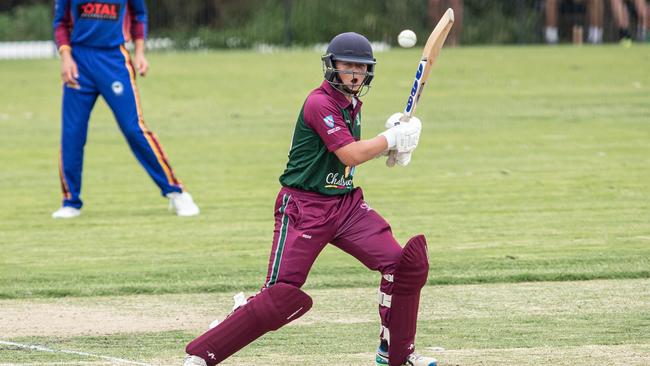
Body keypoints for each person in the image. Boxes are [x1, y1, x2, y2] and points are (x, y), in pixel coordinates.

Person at [183, 32, 435, 366]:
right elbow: (348, 154)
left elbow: (343, 156)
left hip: (346, 206)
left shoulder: (351, 103)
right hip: (304, 208)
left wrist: (390, 148)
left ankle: (396, 351)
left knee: (403, 266)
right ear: (331, 67)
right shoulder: (320, 102)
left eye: (362, 67)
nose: (355, 73)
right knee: (279, 297)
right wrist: (388, 138)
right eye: (348, 65)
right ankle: (206, 351)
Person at [51, 0, 199, 218]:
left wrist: (140, 52)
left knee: (133, 128)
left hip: (114, 60)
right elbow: (60, 22)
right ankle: (70, 201)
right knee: (72, 133)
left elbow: (139, 15)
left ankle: (176, 192)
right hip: (79, 62)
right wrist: (65, 57)